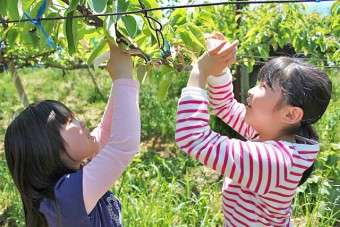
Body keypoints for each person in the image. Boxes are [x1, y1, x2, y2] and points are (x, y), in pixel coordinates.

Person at [175, 32, 332, 226]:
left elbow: (193, 138)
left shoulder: (274, 161)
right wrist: (219, 67)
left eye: (264, 86)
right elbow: (224, 106)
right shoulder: (268, 133)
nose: (251, 90)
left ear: (290, 115)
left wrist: (199, 72)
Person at [4, 42, 140, 227]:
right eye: (70, 121)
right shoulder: (65, 198)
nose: (82, 123)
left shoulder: (75, 172)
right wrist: (123, 77)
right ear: (47, 149)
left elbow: (106, 133)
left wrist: (121, 79)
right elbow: (121, 146)